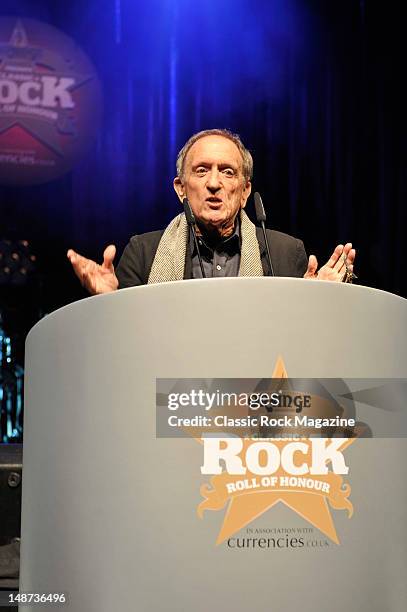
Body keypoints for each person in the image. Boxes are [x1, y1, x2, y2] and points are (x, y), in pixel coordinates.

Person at [67, 128, 355, 293]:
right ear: (181, 187)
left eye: (228, 172)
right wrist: (111, 302)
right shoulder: (143, 252)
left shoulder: (285, 252)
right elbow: (127, 343)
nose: (214, 183)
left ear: (244, 192)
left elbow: (297, 342)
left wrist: (319, 302)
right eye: (202, 170)